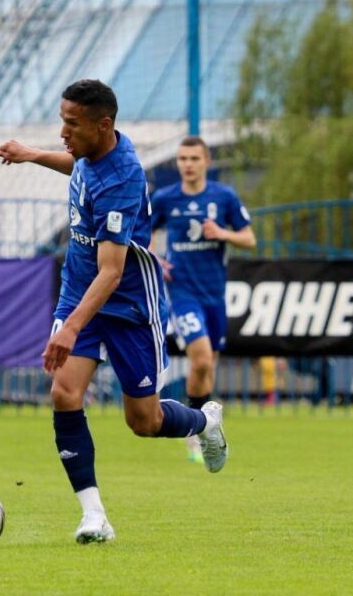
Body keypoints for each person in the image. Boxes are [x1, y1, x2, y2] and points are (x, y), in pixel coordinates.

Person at [0, 80, 227, 545]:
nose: (63, 132)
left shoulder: (123, 178)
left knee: (144, 422)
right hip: (79, 292)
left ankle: (205, 422)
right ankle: (94, 516)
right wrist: (31, 154)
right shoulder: (94, 149)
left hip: (128, 306)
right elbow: (78, 168)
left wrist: (69, 329)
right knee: (64, 393)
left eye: (71, 124)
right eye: (62, 121)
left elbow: (112, 273)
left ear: (102, 125)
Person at [150, 136, 255, 466]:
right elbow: (141, 233)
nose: (188, 164)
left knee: (209, 366)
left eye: (194, 158)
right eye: (183, 158)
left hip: (214, 294)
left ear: (207, 161)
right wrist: (155, 259)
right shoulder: (166, 198)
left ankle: (206, 428)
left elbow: (249, 238)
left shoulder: (223, 197)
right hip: (182, 292)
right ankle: (194, 432)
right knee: (201, 359)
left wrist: (223, 233)